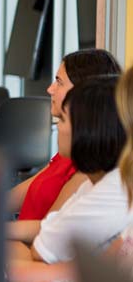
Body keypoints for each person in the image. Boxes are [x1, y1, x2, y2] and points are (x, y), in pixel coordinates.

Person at [7, 48, 121, 242]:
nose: (50, 89)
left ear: (83, 92)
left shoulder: (89, 166)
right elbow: (16, 196)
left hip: (30, 257)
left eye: (59, 82)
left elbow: (51, 230)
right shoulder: (66, 151)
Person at [13, 75, 127, 266]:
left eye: (64, 119)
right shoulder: (93, 182)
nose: (58, 126)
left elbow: (42, 252)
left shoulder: (108, 188)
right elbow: (51, 225)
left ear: (88, 129)